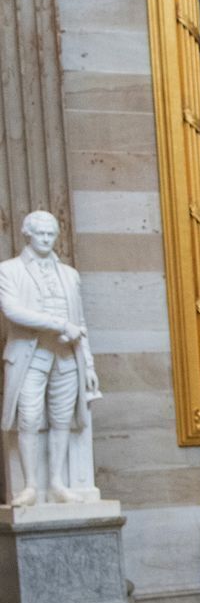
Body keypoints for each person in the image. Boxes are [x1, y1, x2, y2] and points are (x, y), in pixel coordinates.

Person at [0, 212, 101, 506]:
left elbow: (80, 322)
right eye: (40, 234)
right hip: (30, 357)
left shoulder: (70, 275)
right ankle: (31, 486)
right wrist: (59, 325)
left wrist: (90, 365)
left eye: (50, 234)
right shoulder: (9, 271)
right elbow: (13, 311)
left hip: (67, 358)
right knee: (29, 419)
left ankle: (56, 482)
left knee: (62, 420)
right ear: (27, 235)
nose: (46, 239)